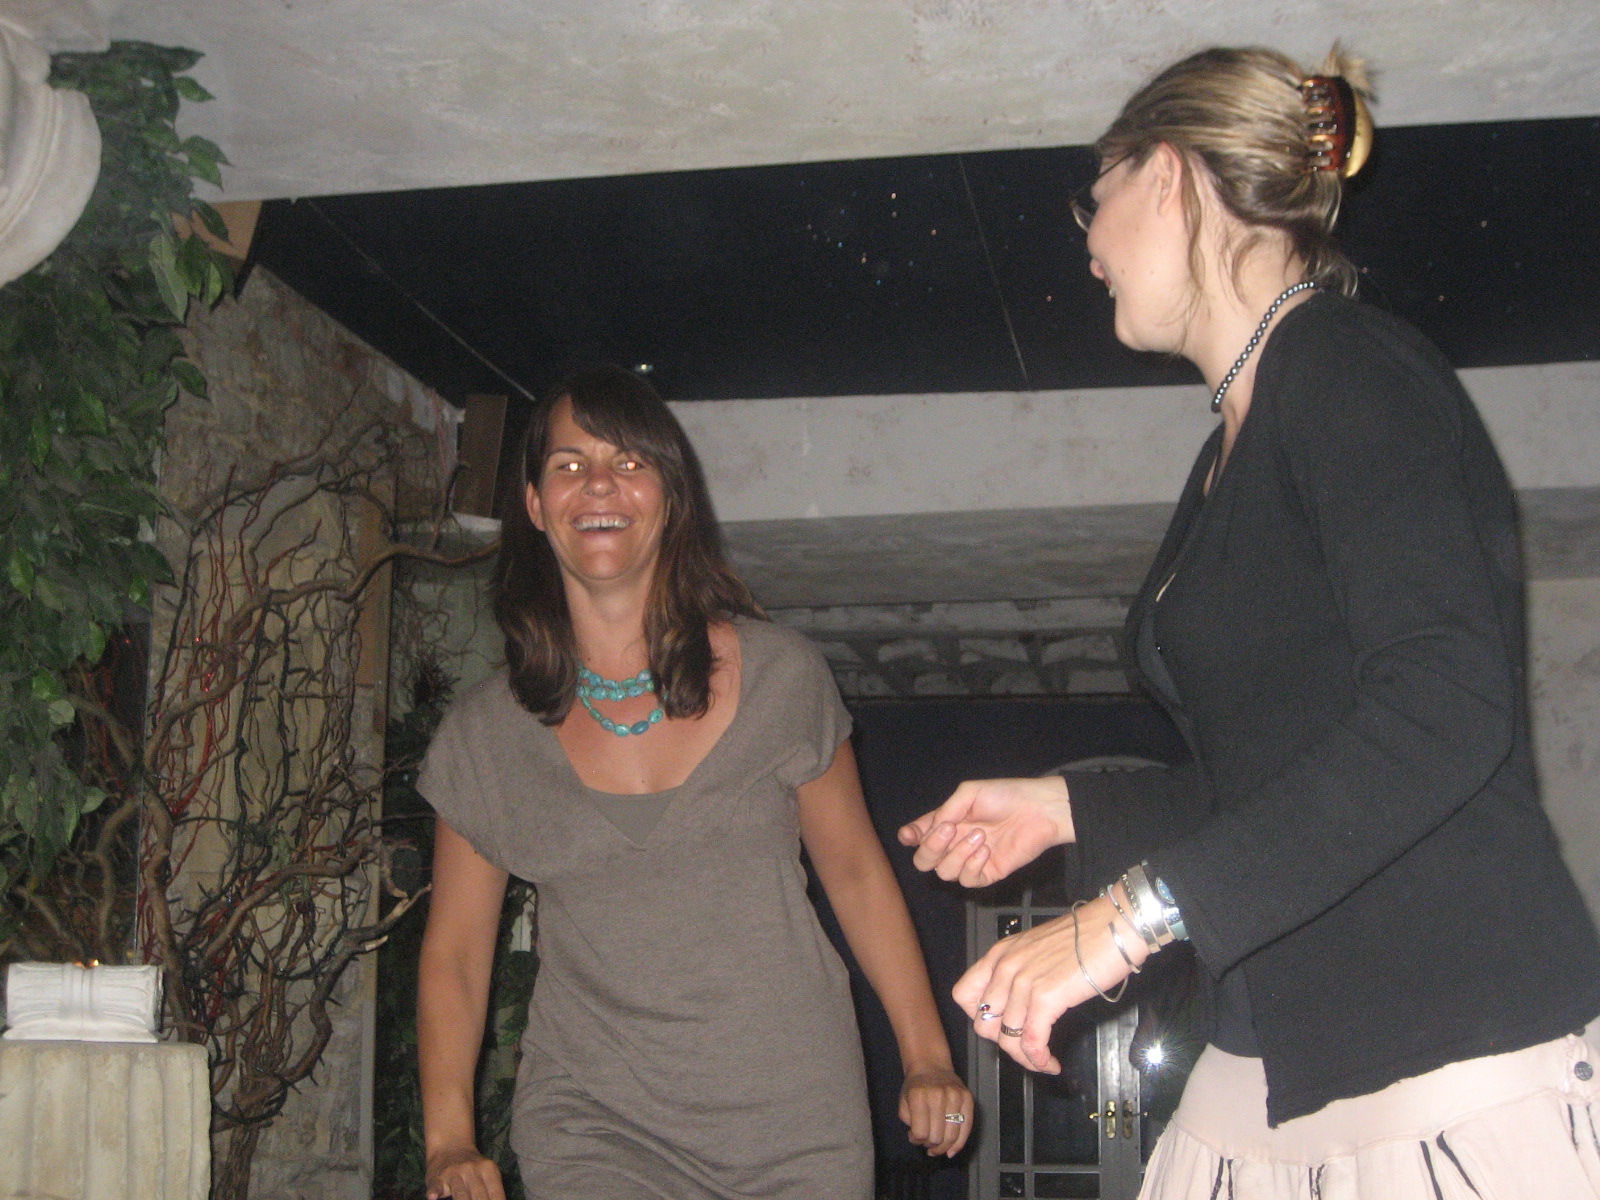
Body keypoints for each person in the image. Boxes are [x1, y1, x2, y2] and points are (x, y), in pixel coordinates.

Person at [899, 45, 1600, 1198]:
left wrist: (1125, 920)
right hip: (1274, 1054)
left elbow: (1443, 712)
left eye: (1095, 198)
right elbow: (1275, 777)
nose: (1088, 243)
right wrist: (1066, 806)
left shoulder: (1348, 367)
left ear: (1167, 175)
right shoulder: (1230, 449)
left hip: (1447, 1052)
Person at [416, 365, 972, 1200]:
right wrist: (448, 1142)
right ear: (534, 504)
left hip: (795, 1122)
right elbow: (457, 953)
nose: (597, 483)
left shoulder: (783, 678)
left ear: (671, 497)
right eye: (569, 464)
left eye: (628, 461)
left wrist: (928, 1057)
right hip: (594, 1127)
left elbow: (857, 875)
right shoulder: (485, 736)